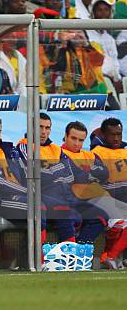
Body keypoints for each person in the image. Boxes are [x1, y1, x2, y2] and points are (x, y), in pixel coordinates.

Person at [61, 120, 127, 270]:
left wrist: (85, 172)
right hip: (71, 198)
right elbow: (74, 175)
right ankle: (85, 255)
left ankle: (83, 253)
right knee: (106, 215)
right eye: (73, 138)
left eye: (81, 140)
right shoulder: (60, 153)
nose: (77, 143)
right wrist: (87, 172)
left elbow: (102, 173)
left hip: (93, 197)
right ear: (65, 136)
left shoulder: (88, 154)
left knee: (106, 218)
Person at [16, 113, 79, 243]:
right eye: (40, 127)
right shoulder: (23, 146)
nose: (44, 132)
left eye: (47, 128)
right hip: (37, 194)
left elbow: (70, 175)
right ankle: (41, 260)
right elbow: (33, 174)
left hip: (59, 195)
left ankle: (69, 257)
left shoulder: (56, 149)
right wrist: (57, 170)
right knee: (63, 211)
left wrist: (49, 172)